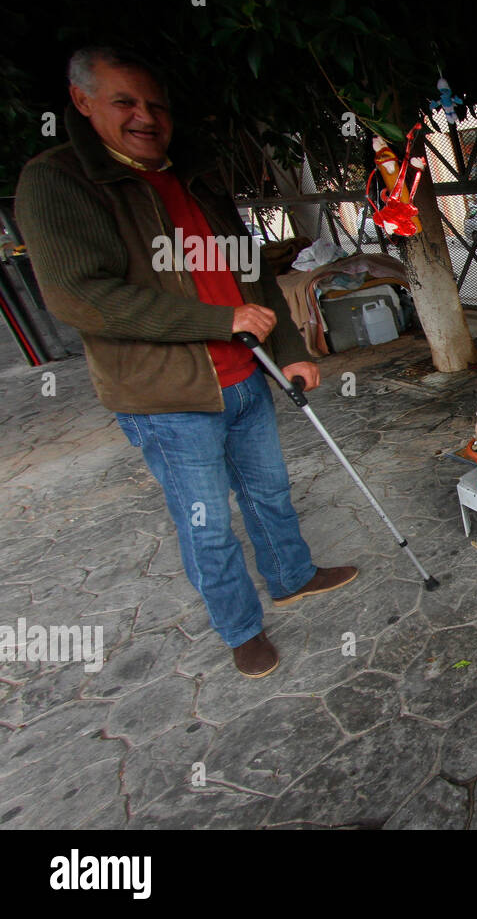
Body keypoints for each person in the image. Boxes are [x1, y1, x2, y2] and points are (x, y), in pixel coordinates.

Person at [15, 47, 356, 679]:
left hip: (247, 375)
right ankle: (240, 629)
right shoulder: (58, 180)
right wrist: (214, 322)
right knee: (207, 523)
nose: (145, 116)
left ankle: (292, 575)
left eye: (155, 105)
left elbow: (248, 274)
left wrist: (290, 351)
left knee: (270, 491)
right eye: (125, 102)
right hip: (168, 398)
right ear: (83, 102)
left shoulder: (191, 176)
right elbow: (78, 296)